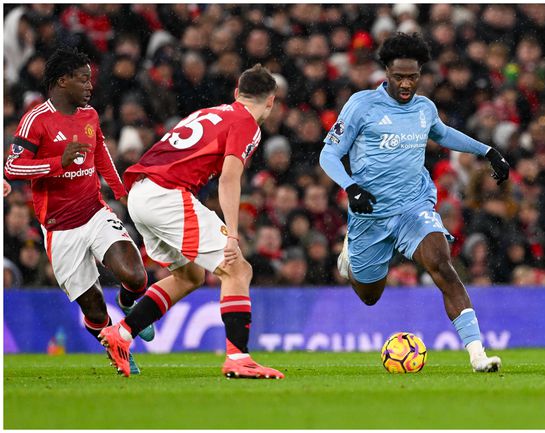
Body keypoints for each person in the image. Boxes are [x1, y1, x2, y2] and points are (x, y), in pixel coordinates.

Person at [319, 33, 510, 373]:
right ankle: (351, 254)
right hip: (370, 212)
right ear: (386, 73)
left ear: (420, 73)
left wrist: (487, 151)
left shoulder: (425, 107)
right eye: (399, 77)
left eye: (413, 77)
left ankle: (478, 354)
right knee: (369, 295)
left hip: (413, 207)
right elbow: (329, 153)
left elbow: (442, 133)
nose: (406, 83)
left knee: (441, 262)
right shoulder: (361, 106)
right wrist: (350, 188)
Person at [98, 64, 284, 380]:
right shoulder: (247, 123)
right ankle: (238, 358)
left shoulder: (213, 112)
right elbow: (229, 178)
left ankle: (123, 334)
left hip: (141, 193)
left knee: (189, 275)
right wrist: (233, 235)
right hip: (166, 194)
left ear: (237, 93)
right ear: (271, 101)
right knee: (237, 268)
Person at [3, 47, 153, 374]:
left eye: (90, 79)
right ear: (62, 81)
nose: (89, 86)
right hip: (60, 229)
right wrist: (59, 163)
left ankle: (129, 305)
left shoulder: (90, 116)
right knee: (96, 312)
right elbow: (12, 168)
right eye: (83, 79)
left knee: (136, 277)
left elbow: (100, 156)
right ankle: (115, 347)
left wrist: (121, 192)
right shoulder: (36, 119)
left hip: (95, 213)